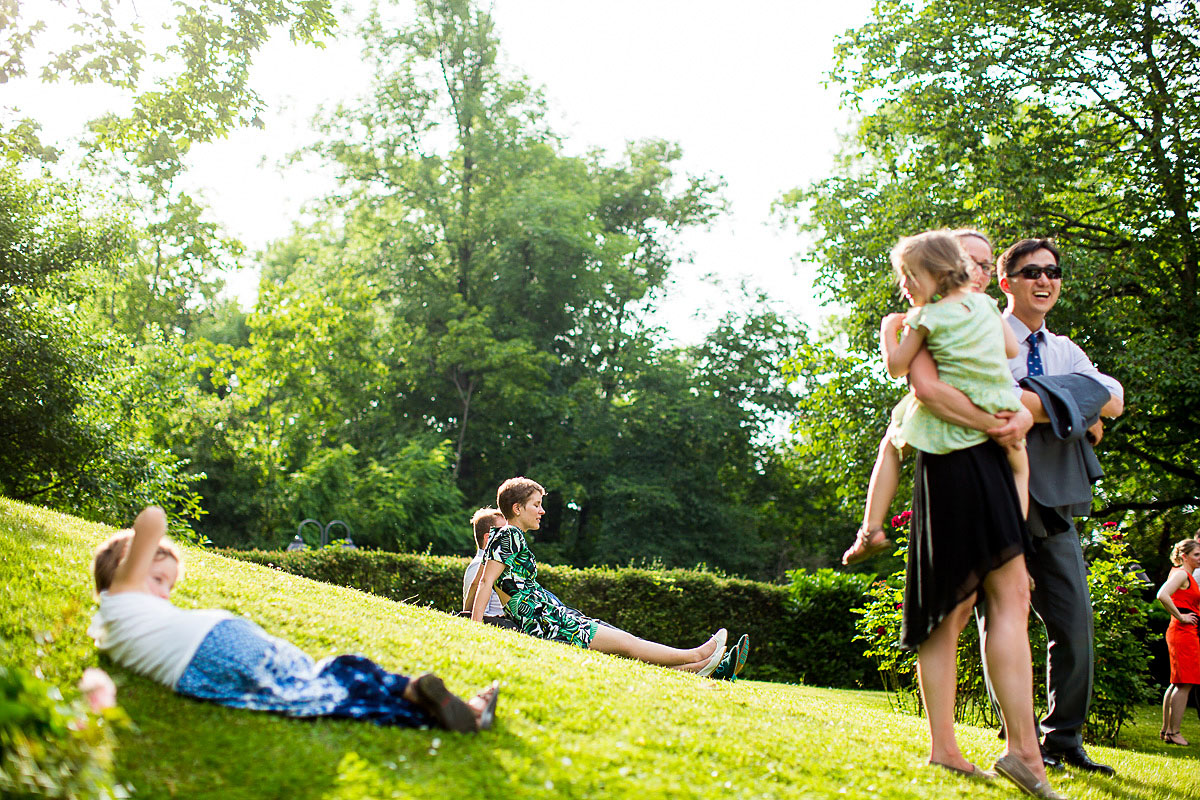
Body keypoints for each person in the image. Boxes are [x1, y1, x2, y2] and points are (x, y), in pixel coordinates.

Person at [878, 231, 1059, 798]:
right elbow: (926, 388)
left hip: (982, 460)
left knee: (1005, 596)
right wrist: (999, 421)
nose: (980, 272)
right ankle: (951, 748)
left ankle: (1021, 750)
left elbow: (946, 372)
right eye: (974, 262)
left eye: (986, 264)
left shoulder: (940, 315)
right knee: (953, 604)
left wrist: (1018, 419)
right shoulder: (935, 315)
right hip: (961, 456)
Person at [89, 506, 499, 733]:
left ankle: (436, 707)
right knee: (334, 679)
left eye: (168, 584)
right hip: (219, 651)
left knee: (332, 692)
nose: (164, 592)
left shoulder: (112, 630)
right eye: (158, 579)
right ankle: (436, 699)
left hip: (215, 663)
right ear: (124, 570)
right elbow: (151, 521)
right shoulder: (119, 602)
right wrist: (141, 556)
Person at [987, 237, 1124, 775]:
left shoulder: (1065, 347)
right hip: (998, 495)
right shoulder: (986, 336)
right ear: (1007, 283)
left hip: (1057, 505)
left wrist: (1040, 395)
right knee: (1004, 620)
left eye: (1053, 272)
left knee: (1075, 628)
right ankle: (1019, 736)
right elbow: (1002, 402)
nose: (1044, 281)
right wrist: (1070, 406)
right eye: (1031, 272)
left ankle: (1063, 738)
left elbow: (1112, 397)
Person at [843, 228, 1028, 565]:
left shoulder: (924, 317)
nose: (903, 287)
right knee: (1021, 469)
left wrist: (888, 331)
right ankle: (1015, 548)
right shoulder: (987, 307)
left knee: (891, 444)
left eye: (908, 277)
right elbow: (1012, 349)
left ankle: (871, 529)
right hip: (1000, 403)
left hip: (954, 409)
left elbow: (899, 368)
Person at [470, 477, 743, 677]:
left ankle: (699, 667)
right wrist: (476, 625)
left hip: (549, 614)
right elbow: (485, 582)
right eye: (536, 505)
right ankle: (698, 655)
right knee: (627, 645)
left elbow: (491, 580)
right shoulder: (507, 535)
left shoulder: (511, 537)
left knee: (626, 649)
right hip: (545, 620)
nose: (542, 511)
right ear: (517, 508)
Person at [1156, 538, 1200, 746]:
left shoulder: (1184, 574)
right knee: (1185, 683)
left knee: (1177, 682)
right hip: (1183, 631)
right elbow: (1162, 595)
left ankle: (1167, 730)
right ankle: (1174, 732)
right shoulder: (1182, 573)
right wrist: (1181, 616)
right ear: (1184, 556)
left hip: (1183, 631)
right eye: (1196, 555)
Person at [462, 508, 520, 630]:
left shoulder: (496, 564)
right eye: (503, 532)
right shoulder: (478, 566)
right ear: (489, 538)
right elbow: (481, 615)